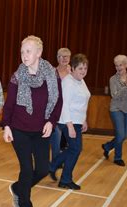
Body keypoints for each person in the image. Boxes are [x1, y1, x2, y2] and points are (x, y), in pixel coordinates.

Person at [2, 35, 63, 207]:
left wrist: (51, 121)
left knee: (43, 169)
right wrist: (6, 126)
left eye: (28, 51)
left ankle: (19, 188)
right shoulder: (17, 76)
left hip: (41, 130)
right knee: (27, 169)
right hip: (19, 129)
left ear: (39, 53)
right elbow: (10, 104)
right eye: (22, 51)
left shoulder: (52, 75)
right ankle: (25, 206)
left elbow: (58, 101)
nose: (24, 55)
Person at [49, 54, 91, 190]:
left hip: (77, 121)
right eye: (80, 68)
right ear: (72, 68)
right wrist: (70, 125)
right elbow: (64, 105)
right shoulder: (67, 82)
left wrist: (84, 120)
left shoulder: (81, 80)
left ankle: (54, 168)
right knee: (76, 149)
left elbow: (83, 101)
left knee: (74, 149)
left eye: (85, 68)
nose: (83, 71)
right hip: (67, 120)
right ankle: (64, 178)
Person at [102, 55, 127, 166]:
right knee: (120, 134)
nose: (118, 68)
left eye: (121, 65)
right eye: (116, 65)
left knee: (125, 135)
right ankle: (118, 157)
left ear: (126, 65)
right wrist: (125, 86)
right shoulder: (112, 79)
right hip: (116, 108)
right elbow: (114, 96)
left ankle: (108, 146)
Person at [50, 47, 72, 162]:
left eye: (66, 56)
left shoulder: (72, 72)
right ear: (58, 58)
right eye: (61, 56)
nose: (64, 59)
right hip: (55, 110)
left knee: (72, 143)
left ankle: (58, 161)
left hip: (68, 111)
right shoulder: (52, 72)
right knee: (56, 140)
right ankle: (55, 162)